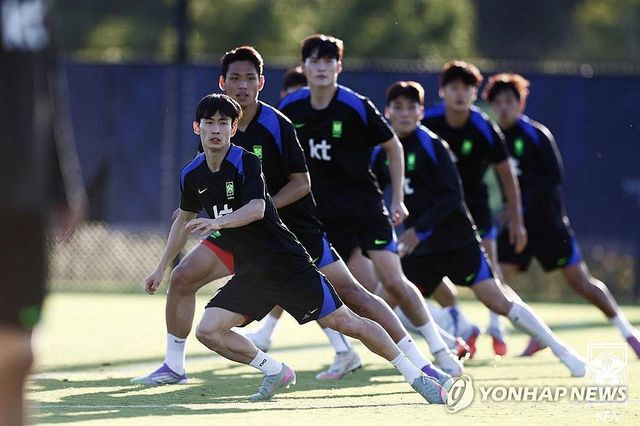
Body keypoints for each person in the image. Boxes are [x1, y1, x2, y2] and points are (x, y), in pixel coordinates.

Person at [133, 46, 450, 386]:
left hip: (293, 233)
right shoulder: (214, 126)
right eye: (235, 78)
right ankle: (174, 366)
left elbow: (301, 184)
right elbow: (212, 185)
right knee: (183, 276)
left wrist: (253, 208)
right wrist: (201, 213)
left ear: (261, 83)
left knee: (353, 296)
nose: (242, 85)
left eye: (250, 78)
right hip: (241, 234)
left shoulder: (277, 124)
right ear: (222, 83)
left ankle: (423, 363)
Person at [373, 80, 586, 377]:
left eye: (412, 107)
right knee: (383, 301)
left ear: (421, 112)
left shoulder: (434, 145)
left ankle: (562, 350)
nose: (405, 113)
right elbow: (371, 190)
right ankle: (443, 351)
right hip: (421, 249)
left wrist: (419, 230)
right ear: (387, 111)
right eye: (398, 107)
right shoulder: (383, 150)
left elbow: (452, 197)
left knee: (498, 300)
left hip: (457, 241)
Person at [278, 34, 463, 374]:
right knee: (325, 286)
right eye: (314, 61)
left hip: (365, 209)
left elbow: (394, 147)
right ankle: (345, 352)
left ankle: (441, 350)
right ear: (303, 66)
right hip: (321, 216)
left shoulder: (355, 105)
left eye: (328, 60)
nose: (321, 67)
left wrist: (397, 199)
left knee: (393, 281)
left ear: (339, 66)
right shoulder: (291, 108)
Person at [483, 73, 640, 358]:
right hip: (516, 226)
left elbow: (553, 177)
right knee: (494, 281)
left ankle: (629, 333)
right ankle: (522, 333)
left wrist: (519, 205)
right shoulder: (492, 139)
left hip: (548, 225)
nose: (503, 107)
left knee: (581, 283)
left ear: (521, 104)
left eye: (509, 101)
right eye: (498, 102)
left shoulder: (536, 135)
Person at [0, 0, 87, 424]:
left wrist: (62, 180)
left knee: (19, 353)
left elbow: (47, 84)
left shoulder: (33, 8)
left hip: (23, 196)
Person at [422, 60, 527, 356]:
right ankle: (461, 325)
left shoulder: (483, 127)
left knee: (490, 273)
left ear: (474, 93)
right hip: (436, 214)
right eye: (453, 87)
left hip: (476, 212)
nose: (459, 94)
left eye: (466, 88)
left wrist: (517, 218)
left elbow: (507, 175)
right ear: (442, 91)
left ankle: (496, 327)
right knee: (421, 275)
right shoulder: (427, 122)